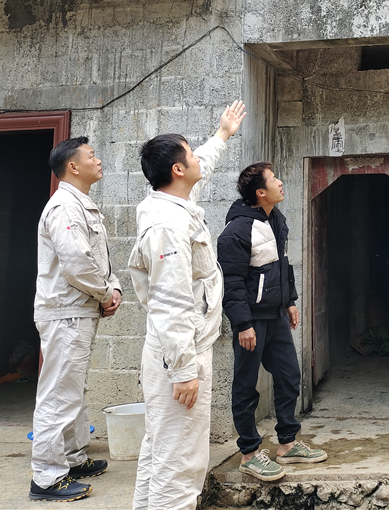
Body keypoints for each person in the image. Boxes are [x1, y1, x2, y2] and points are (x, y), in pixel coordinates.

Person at [129, 100, 246, 510]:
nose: (198, 159)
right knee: (181, 460)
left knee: (162, 448)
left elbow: (203, 166)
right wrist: (183, 370)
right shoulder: (168, 225)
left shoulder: (172, 202)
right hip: (180, 352)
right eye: (190, 155)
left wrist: (223, 133)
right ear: (178, 170)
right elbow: (170, 301)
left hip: (180, 347)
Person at [218, 162, 327, 482]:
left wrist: (289, 301)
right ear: (260, 192)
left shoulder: (275, 218)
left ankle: (287, 444)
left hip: (276, 315)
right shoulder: (237, 231)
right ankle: (249, 454)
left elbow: (282, 265)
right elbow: (231, 283)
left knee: (289, 376)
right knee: (246, 385)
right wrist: (242, 324)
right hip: (252, 320)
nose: (281, 182)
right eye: (274, 179)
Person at [30, 137, 122, 502]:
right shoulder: (64, 207)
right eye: (91, 156)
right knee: (58, 394)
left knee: (72, 390)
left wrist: (112, 288)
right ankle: (47, 477)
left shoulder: (81, 205)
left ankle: (71, 458)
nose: (98, 161)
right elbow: (76, 264)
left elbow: (95, 258)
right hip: (65, 311)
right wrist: (105, 293)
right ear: (72, 166)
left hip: (78, 310)